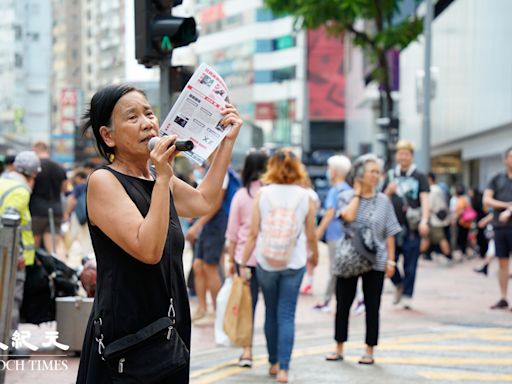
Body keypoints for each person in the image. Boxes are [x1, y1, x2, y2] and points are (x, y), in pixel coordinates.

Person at [76, 84, 243, 383]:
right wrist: (164, 176)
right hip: (128, 334)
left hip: (168, 325)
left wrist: (226, 143)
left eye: (149, 113)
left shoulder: (154, 177)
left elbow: (203, 201)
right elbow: (148, 249)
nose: (147, 123)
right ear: (108, 136)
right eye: (132, 117)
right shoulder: (105, 181)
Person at [240, 148, 319, 384]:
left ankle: (273, 362)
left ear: (271, 167)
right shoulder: (306, 197)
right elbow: (311, 234)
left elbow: (253, 234)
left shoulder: (262, 195)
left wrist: (244, 263)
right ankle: (284, 369)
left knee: (270, 313)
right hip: (294, 262)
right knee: (287, 314)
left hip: (266, 262)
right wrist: (314, 255)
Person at [326, 154, 401, 365]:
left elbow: (390, 231)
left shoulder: (384, 201)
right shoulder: (346, 196)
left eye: (378, 172)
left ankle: (369, 349)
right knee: (343, 304)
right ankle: (339, 347)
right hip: (349, 258)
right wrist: (358, 195)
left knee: (372, 305)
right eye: (372, 171)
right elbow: (347, 218)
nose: (376, 176)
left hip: (376, 259)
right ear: (360, 174)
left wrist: (392, 261)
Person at [225, 150, 268, 368]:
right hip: (271, 259)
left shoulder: (242, 196)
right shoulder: (272, 195)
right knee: (273, 308)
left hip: (247, 259)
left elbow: (233, 233)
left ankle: (248, 351)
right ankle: (276, 358)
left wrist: (232, 261)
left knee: (247, 306)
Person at [185, 160, 240, 323]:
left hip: (215, 223)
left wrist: (197, 225)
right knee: (198, 265)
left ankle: (217, 312)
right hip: (207, 222)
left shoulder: (220, 170)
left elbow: (215, 204)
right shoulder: (209, 167)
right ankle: (202, 308)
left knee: (210, 267)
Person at [0, 151, 41, 351]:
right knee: (11, 301)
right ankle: (9, 345)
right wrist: (16, 255)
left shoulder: (3, 182)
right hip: (10, 257)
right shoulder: (20, 191)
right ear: (33, 174)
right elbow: (10, 224)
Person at [383, 140, 430, 309]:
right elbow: (381, 199)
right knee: (389, 260)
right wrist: (388, 191)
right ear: (396, 155)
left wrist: (425, 220)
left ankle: (407, 295)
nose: (403, 156)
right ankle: (399, 284)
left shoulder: (419, 176)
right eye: (400, 153)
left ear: (412, 156)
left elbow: (425, 199)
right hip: (391, 227)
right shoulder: (390, 175)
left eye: (406, 153)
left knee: (411, 264)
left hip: (412, 227)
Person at [314, 155, 352, 311]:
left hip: (335, 235)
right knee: (345, 268)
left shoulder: (334, 191)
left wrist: (318, 232)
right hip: (348, 235)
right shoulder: (350, 190)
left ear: (335, 172)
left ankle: (327, 301)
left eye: (329, 169)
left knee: (335, 269)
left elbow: (329, 213)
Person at [483, 146, 512, 310]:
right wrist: (506, 205)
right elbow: (487, 200)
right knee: (502, 262)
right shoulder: (496, 178)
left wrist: (509, 210)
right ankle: (503, 297)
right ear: (505, 159)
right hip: (500, 227)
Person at [29, 141, 68, 258]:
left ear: (35, 150)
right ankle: (60, 271)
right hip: (56, 210)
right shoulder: (59, 167)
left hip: (37, 211)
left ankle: (35, 273)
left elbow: (29, 188)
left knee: (33, 246)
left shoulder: (34, 167)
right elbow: (64, 188)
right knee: (55, 246)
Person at [421, 172, 451, 260]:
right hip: (437, 219)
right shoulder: (439, 189)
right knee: (427, 238)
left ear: (430, 179)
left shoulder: (431, 190)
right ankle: (420, 255)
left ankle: (448, 256)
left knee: (440, 238)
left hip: (434, 220)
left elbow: (428, 206)